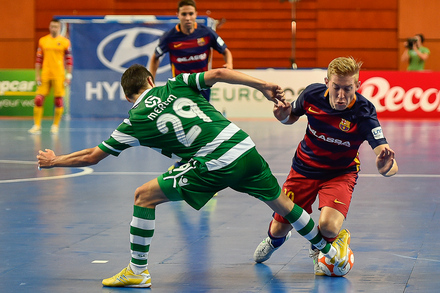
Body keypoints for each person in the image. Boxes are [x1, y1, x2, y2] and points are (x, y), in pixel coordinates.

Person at [36, 65, 350, 287]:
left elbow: (92, 156)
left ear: (128, 96)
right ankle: (331, 253)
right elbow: (219, 73)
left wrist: (54, 161)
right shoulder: (176, 83)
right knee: (283, 205)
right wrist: (262, 85)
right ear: (150, 79)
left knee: (143, 196)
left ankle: (137, 271)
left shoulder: (134, 119)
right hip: (243, 145)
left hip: (214, 161)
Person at [253, 57, 398, 276]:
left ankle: (320, 248)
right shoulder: (311, 94)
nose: (341, 95)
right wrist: (283, 118)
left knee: (329, 227)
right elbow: (291, 116)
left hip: (340, 173)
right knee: (278, 229)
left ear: (357, 86)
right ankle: (274, 241)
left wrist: (385, 167)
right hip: (303, 168)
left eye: (348, 89)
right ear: (327, 82)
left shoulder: (364, 112)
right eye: (336, 87)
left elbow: (387, 158)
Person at [149, 0, 233, 102]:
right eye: (184, 14)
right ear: (178, 15)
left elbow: (226, 51)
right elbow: (155, 57)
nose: (188, 18)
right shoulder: (169, 37)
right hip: (180, 86)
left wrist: (229, 64)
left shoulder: (206, 33)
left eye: (191, 14)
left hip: (202, 85)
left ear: (196, 14)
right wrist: (152, 82)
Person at [28, 18, 73, 135]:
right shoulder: (43, 41)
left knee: (58, 101)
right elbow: (38, 59)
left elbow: (69, 60)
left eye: (56, 27)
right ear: (49, 27)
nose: (53, 29)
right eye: (51, 26)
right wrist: (37, 75)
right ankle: (37, 125)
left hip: (59, 75)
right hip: (45, 74)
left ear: (59, 28)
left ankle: (55, 125)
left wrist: (68, 76)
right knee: (38, 99)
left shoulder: (65, 42)